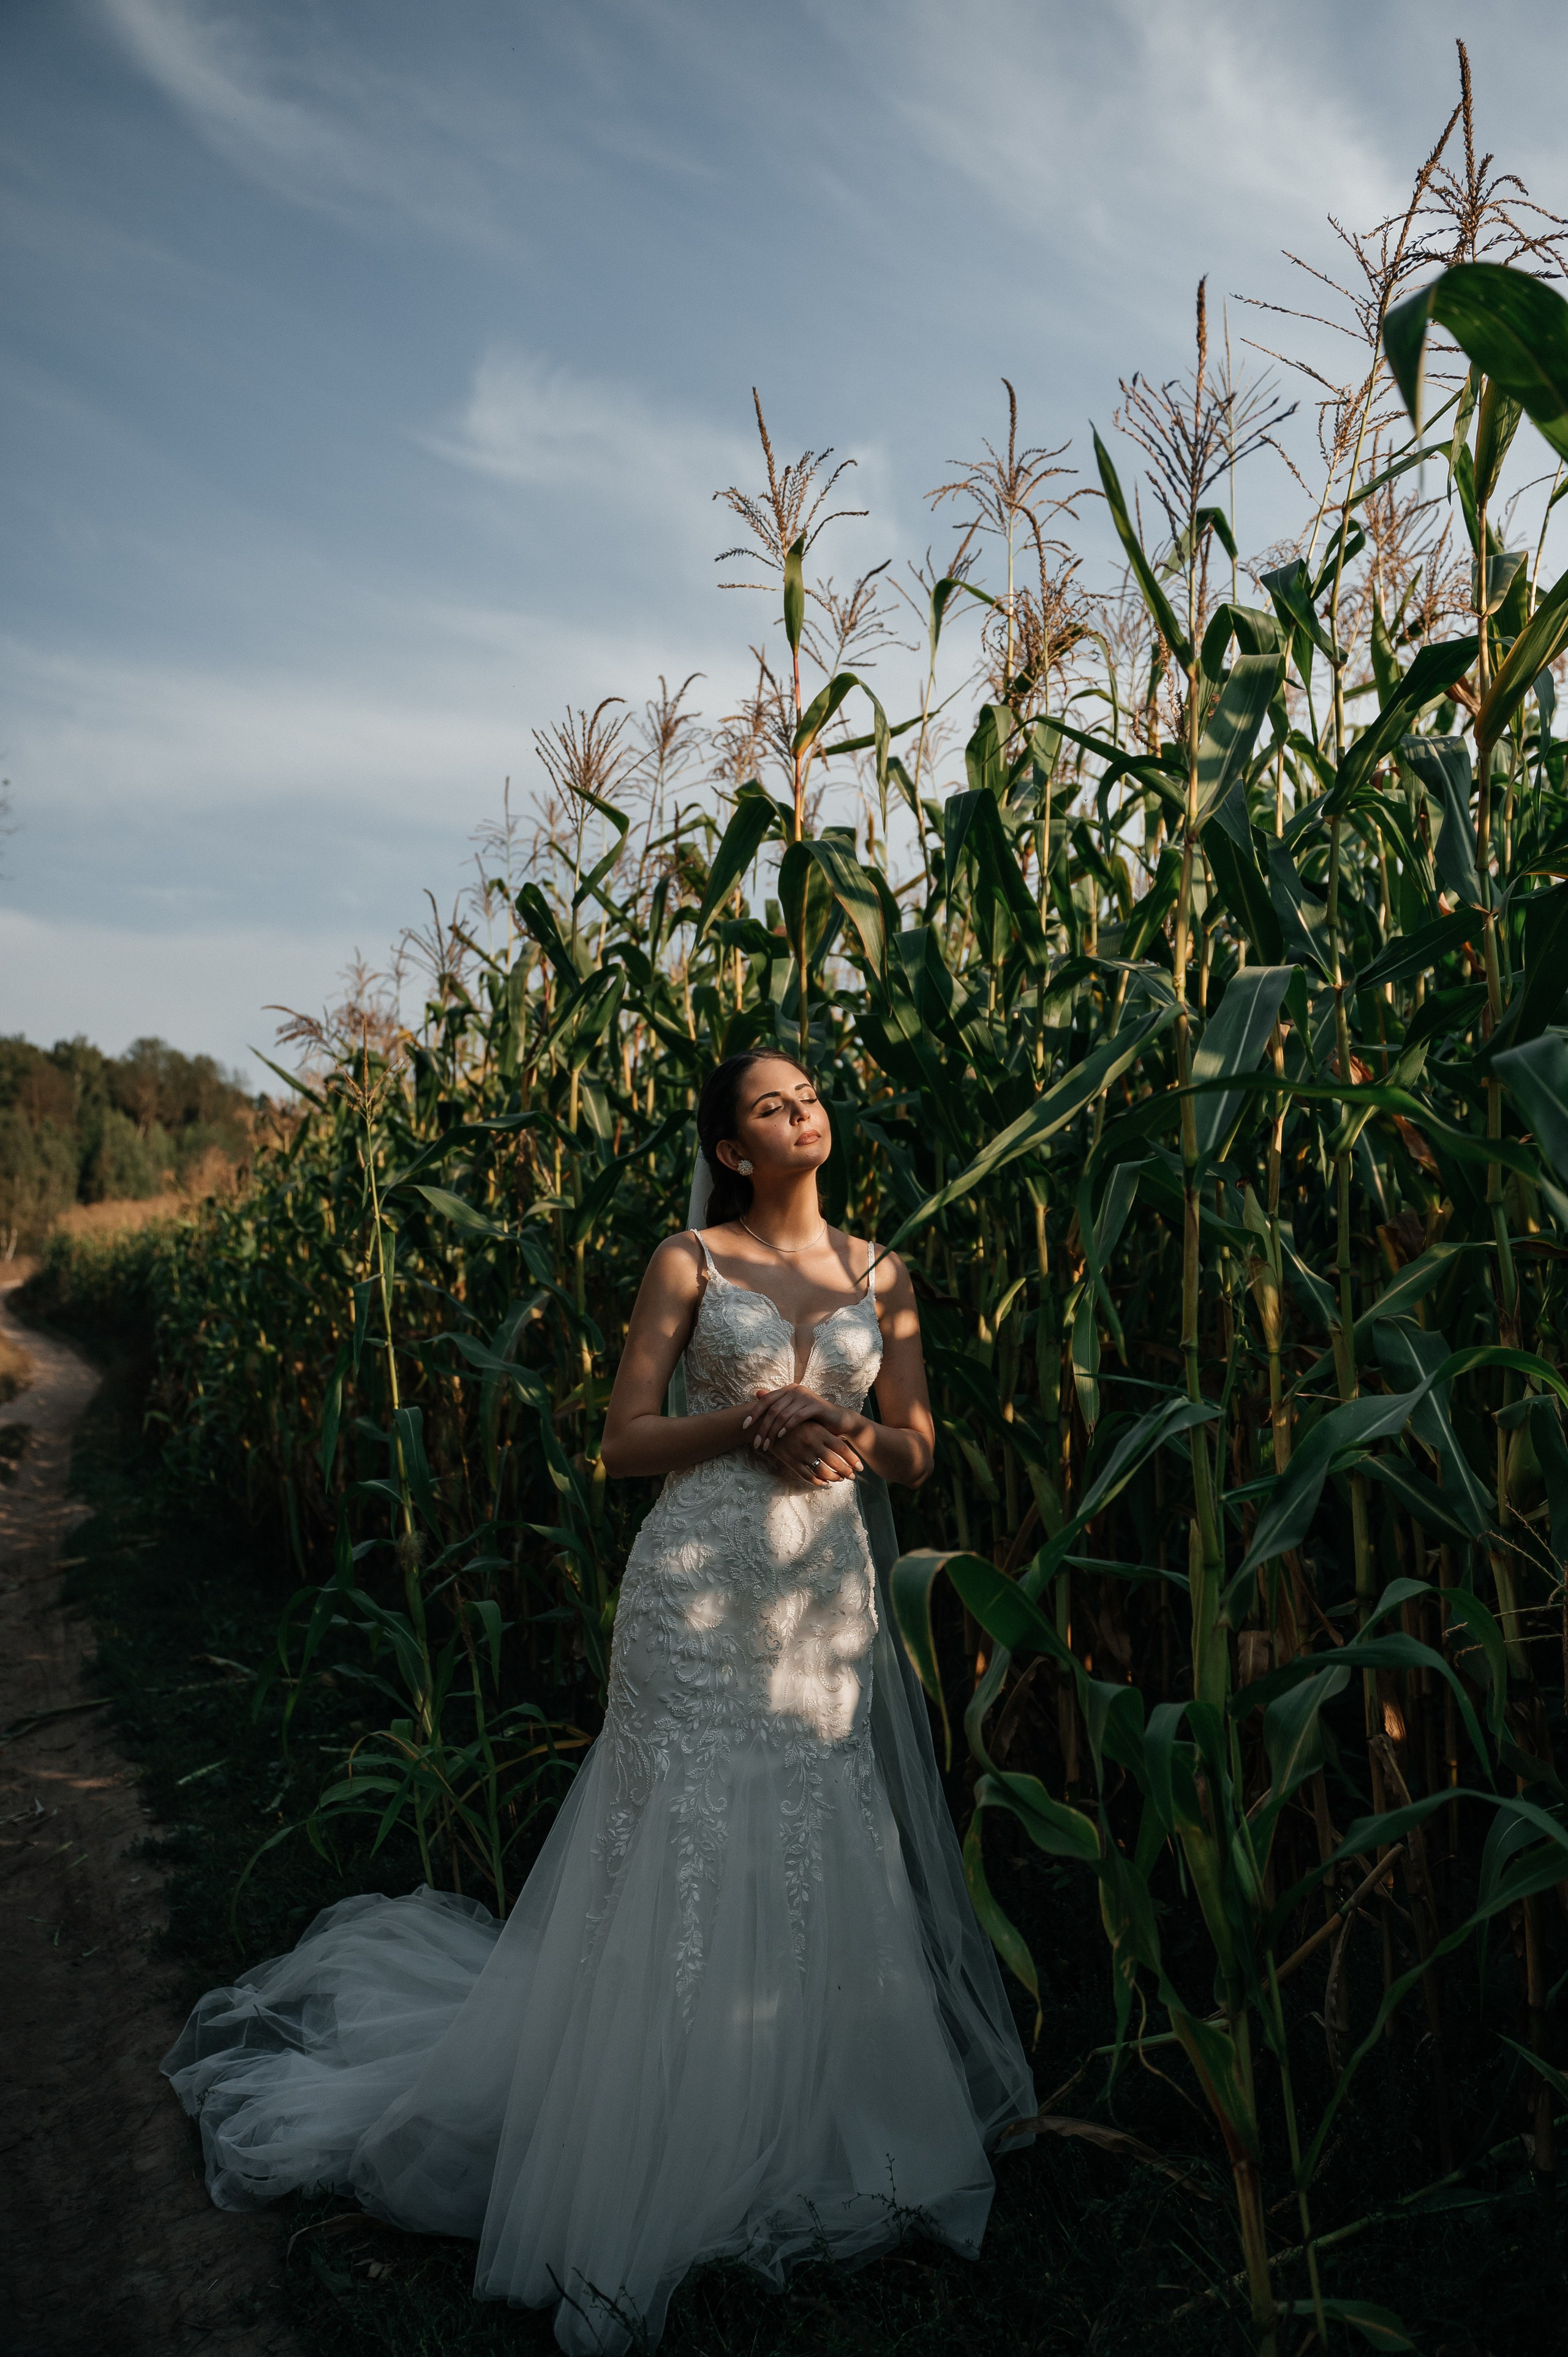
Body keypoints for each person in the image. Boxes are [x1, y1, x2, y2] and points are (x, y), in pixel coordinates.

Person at [163, 1047, 1035, 2355]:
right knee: (684, 1835)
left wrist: (840, 1431)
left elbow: (915, 1440)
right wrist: (750, 1423)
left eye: (807, 1095)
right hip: (695, 1590)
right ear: (732, 1150)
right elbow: (623, 1436)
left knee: (817, 1820)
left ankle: (811, 2123)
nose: (802, 1111)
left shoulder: (880, 1275)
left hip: (821, 1599)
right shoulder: (691, 1260)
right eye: (768, 1105)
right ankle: (652, 2139)